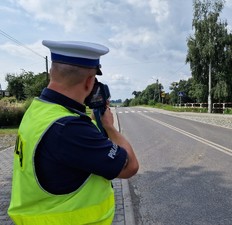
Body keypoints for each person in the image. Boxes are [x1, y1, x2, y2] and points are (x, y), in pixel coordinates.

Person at [8, 40, 139, 225]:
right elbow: (130, 166)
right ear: (89, 82)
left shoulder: (38, 110)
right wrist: (109, 127)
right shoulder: (70, 129)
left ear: (51, 73)